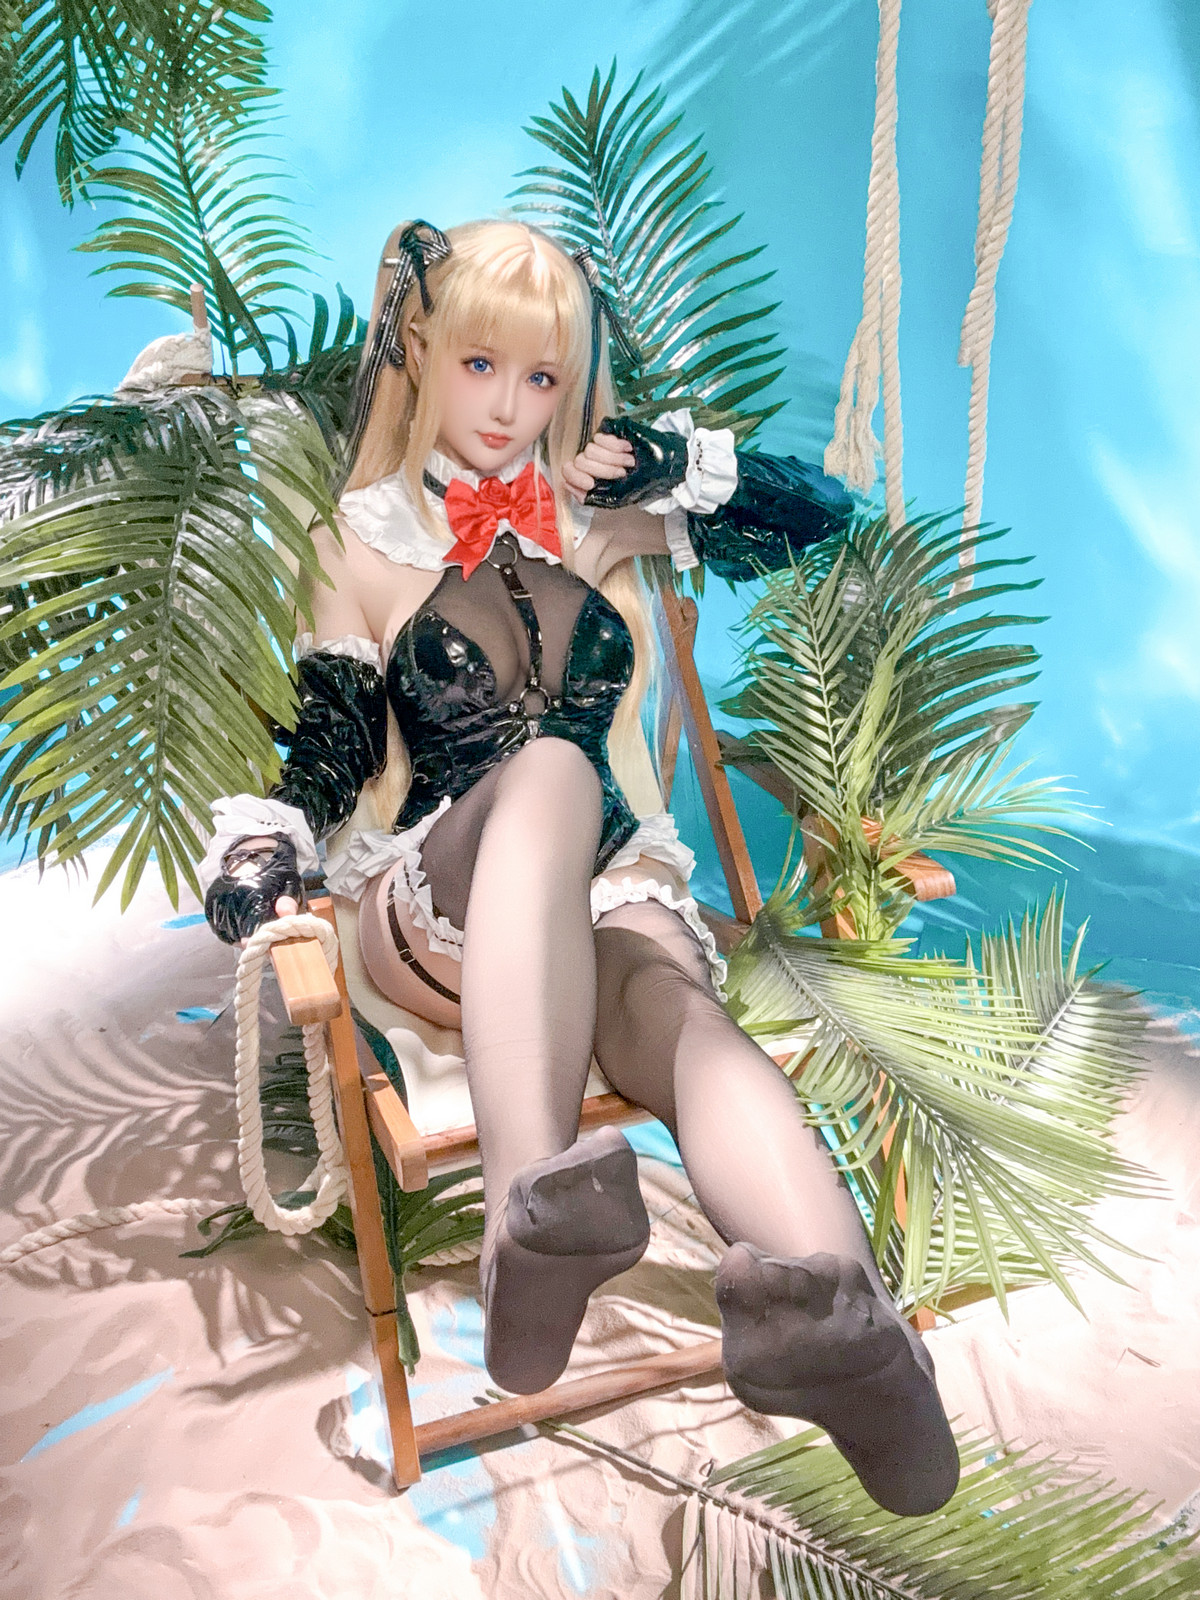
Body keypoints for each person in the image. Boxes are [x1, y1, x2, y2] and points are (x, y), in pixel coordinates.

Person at [200, 219, 959, 1516]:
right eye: (481, 365)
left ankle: (849, 1332)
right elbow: (334, 741)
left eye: (541, 377)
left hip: (607, 888)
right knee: (553, 767)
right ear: (422, 353)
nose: (509, 406)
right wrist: (272, 832)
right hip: (436, 901)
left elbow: (822, 522)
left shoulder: (593, 515)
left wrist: (676, 465)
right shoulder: (360, 539)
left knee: (678, 1010)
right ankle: (527, 1226)